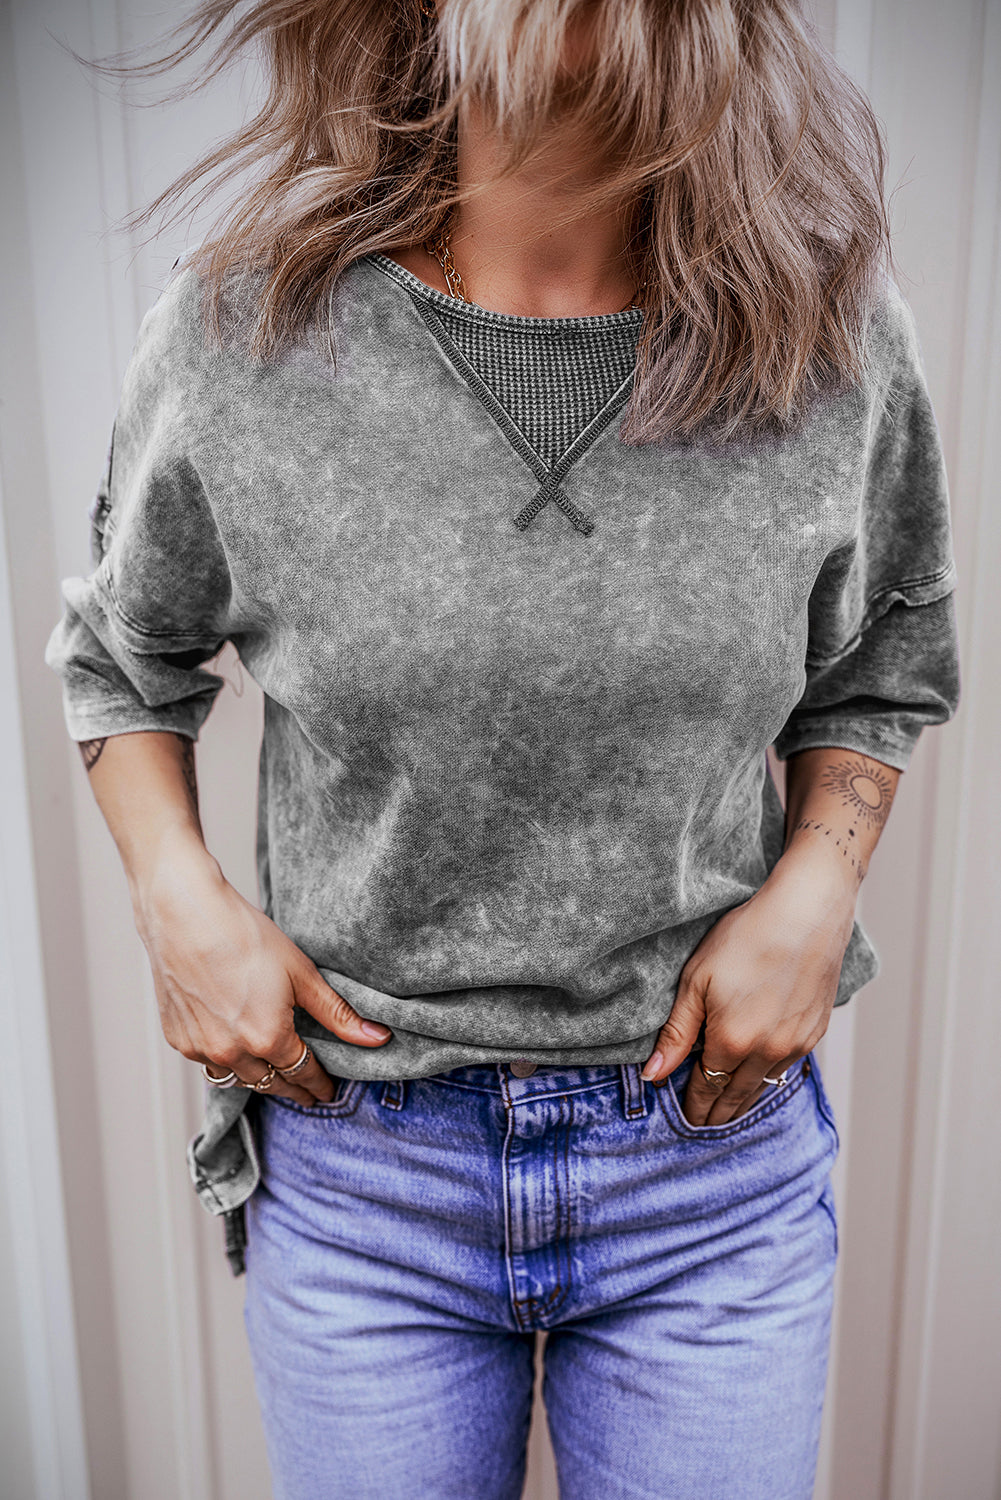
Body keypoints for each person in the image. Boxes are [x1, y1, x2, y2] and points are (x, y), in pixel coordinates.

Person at [44, 1, 961, 1496]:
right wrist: (177, 904)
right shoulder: (245, 331)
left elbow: (879, 670)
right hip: (366, 1172)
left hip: (703, 1172)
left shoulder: (830, 338)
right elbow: (119, 658)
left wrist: (820, 884)